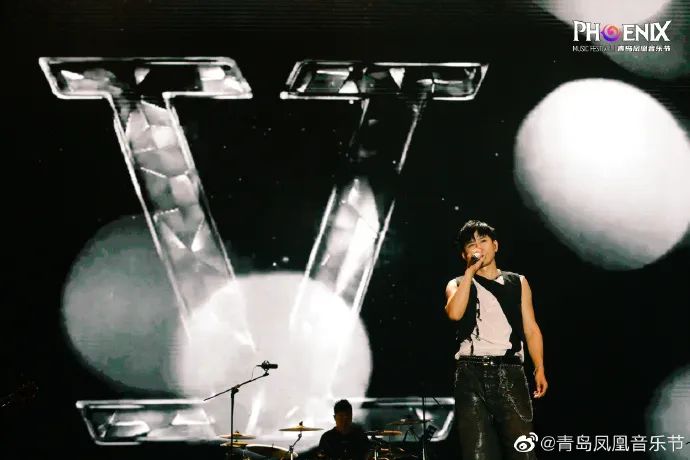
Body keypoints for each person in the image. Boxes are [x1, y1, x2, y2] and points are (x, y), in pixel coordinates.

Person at [444, 220, 548, 460]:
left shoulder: (517, 282)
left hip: (509, 371)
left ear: (495, 245)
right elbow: (454, 313)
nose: (478, 247)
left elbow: (531, 328)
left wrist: (539, 367)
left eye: (483, 241)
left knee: (522, 450)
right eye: (471, 244)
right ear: (464, 254)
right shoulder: (457, 283)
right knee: (477, 453)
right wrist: (469, 273)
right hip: (470, 373)